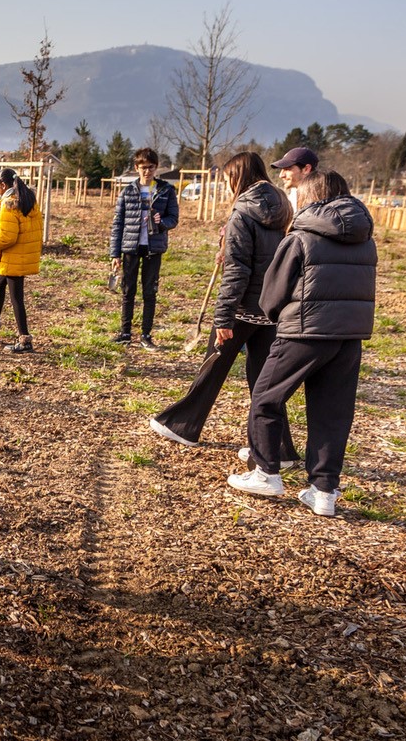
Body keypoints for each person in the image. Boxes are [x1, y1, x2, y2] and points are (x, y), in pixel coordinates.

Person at [227, 171, 378, 517]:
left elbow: (272, 293)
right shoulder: (365, 238)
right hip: (349, 338)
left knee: (265, 397)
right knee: (332, 413)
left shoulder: (301, 237)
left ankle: (266, 472)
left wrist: (279, 315)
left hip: (303, 333)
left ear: (311, 197)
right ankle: (323, 491)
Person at [150, 152, 300, 462]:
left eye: (227, 177)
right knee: (265, 382)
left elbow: (238, 271)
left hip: (241, 309)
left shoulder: (242, 214)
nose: (225, 183)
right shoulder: (283, 207)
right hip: (271, 307)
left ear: (238, 177)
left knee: (213, 367)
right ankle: (279, 449)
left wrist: (223, 318)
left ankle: (183, 425)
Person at [109, 147, 179, 350]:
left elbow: (173, 219)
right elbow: (118, 223)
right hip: (130, 247)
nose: (147, 171)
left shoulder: (166, 191)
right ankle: (125, 333)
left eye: (150, 167)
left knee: (149, 292)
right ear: (136, 168)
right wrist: (115, 253)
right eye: (143, 168)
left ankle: (146, 335)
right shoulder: (128, 191)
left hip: (153, 248)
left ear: (156, 168)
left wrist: (162, 222)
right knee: (128, 291)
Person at [0, 168, 42, 353]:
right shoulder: (28, 200)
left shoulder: (9, 205)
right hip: (21, 255)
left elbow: (7, 239)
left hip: (14, 258)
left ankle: (25, 340)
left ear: (3, 185)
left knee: (16, 298)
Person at [269, 146, 319, 212]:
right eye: (282, 169)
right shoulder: (293, 195)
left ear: (306, 169)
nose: (281, 175)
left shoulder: (321, 200)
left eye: (287, 169)